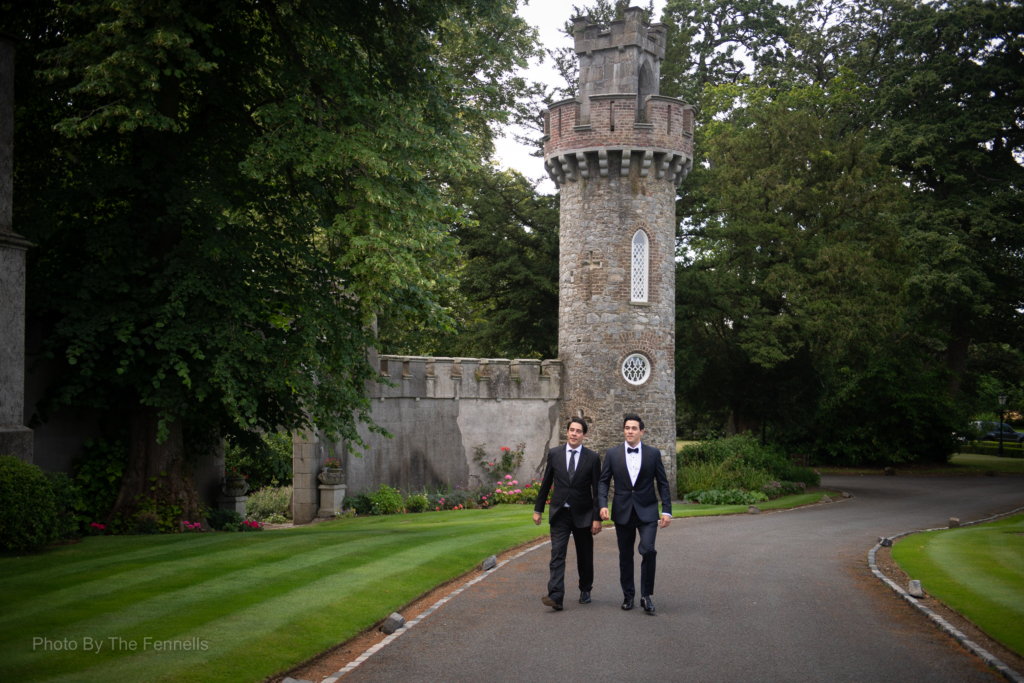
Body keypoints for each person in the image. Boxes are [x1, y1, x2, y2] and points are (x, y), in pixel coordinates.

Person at [598, 413, 672, 614]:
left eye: (633, 428)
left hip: (647, 511)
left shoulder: (653, 454)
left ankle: (646, 596)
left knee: (648, 550)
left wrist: (667, 511)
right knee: (625, 555)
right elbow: (603, 481)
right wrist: (602, 504)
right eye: (627, 428)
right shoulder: (612, 454)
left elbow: (663, 484)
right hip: (622, 511)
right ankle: (628, 596)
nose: (630, 431)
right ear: (624, 430)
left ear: (641, 431)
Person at [533, 417, 603, 611]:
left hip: (584, 514)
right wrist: (538, 509)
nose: (574, 434)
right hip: (560, 513)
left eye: (578, 431)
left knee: (585, 555)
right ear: (567, 432)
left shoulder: (592, 457)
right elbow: (546, 483)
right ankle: (556, 596)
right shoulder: (555, 454)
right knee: (557, 554)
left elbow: (597, 491)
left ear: (584, 435)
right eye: (571, 430)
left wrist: (596, 517)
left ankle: (585, 589)